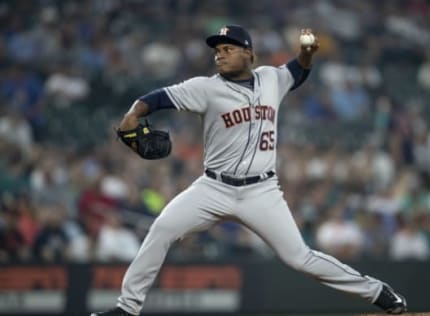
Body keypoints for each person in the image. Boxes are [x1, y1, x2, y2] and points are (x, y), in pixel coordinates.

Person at [91, 25, 407, 316]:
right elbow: (155, 99)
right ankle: (127, 308)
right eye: (218, 50)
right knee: (162, 230)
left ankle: (377, 292)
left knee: (299, 257)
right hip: (213, 188)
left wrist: (307, 52)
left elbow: (297, 71)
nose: (220, 54)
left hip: (262, 191)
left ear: (249, 54)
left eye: (229, 48)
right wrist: (133, 114)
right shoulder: (204, 88)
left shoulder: (272, 78)